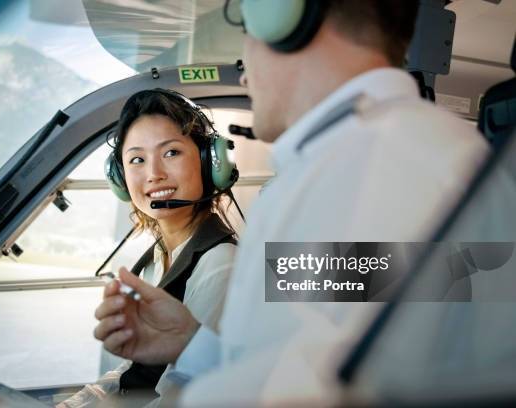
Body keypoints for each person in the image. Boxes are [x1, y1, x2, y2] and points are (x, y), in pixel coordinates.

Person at [94, 1, 490, 405]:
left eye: (245, 26)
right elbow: (301, 367)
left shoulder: (375, 172)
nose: (244, 65)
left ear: (285, 15)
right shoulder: (365, 161)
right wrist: (194, 344)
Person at [58, 89, 239, 407]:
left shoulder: (221, 265)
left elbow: (183, 395)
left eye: (171, 153)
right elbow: (137, 370)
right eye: (137, 159)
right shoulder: (159, 255)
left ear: (210, 162)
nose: (154, 174)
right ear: (120, 178)